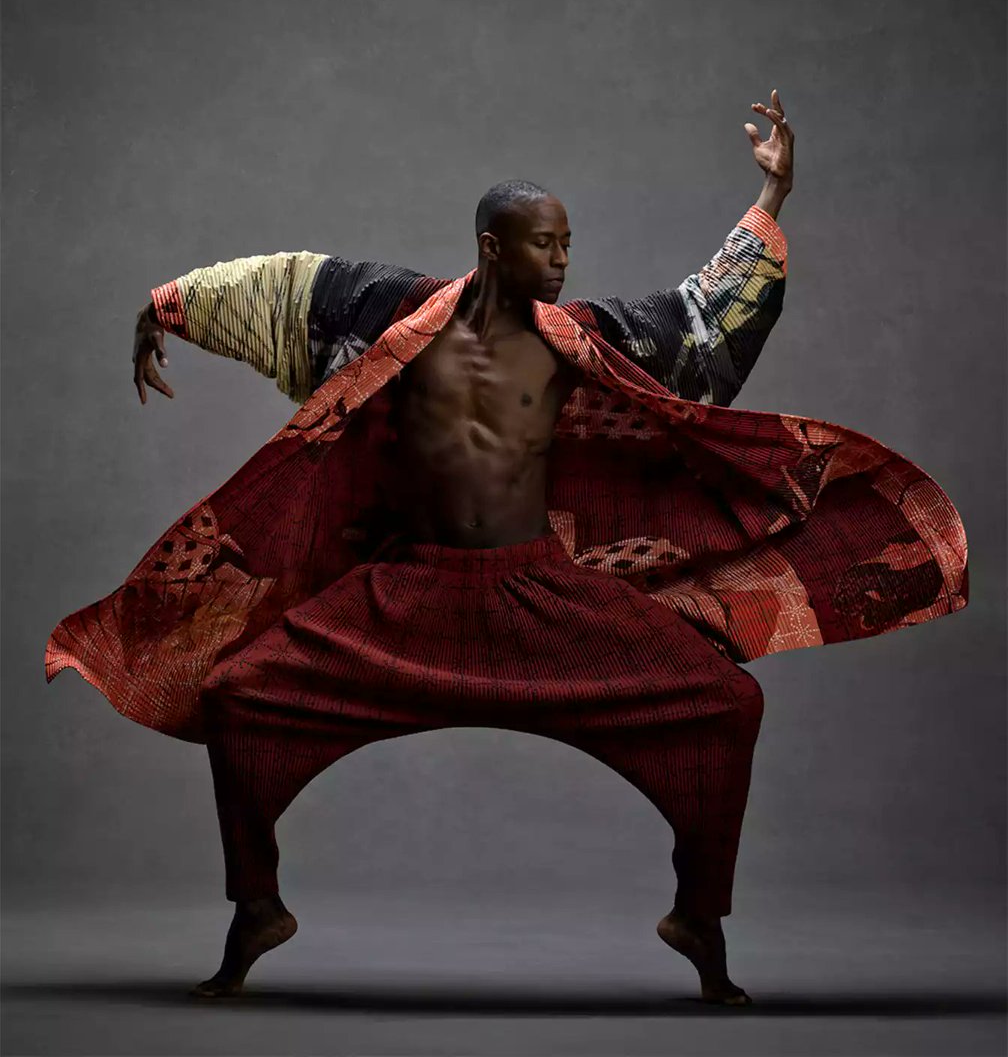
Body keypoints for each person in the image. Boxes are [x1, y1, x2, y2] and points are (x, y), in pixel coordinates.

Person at [46, 90, 968, 1006]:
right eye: (545, 243)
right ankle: (257, 908)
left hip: (538, 594)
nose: (563, 260)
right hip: (404, 595)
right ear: (494, 245)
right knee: (239, 697)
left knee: (721, 704)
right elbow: (282, 288)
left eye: (567, 243)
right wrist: (162, 308)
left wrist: (770, 205)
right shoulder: (391, 318)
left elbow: (699, 320)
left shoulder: (586, 341)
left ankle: (700, 917)